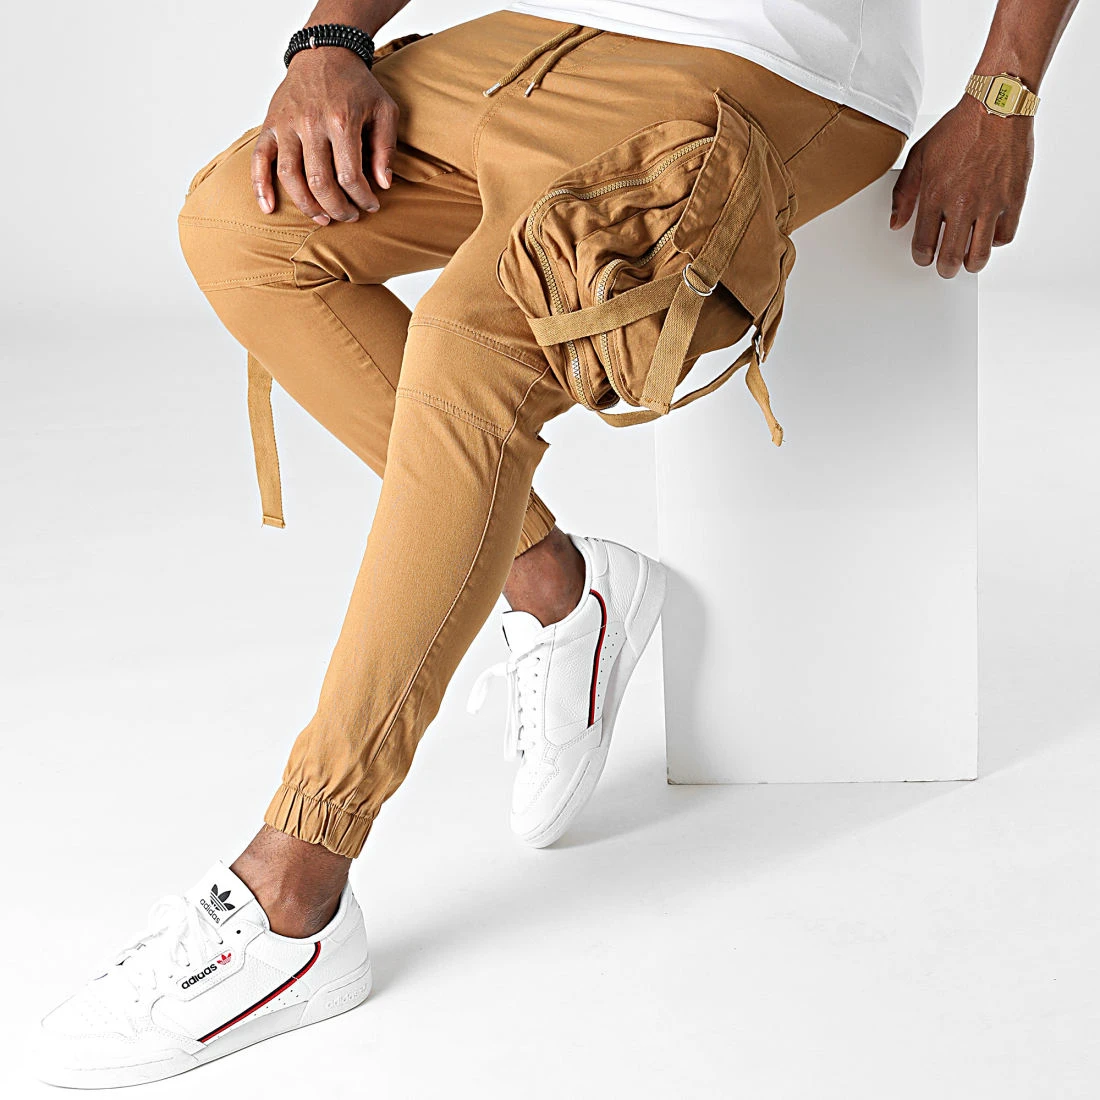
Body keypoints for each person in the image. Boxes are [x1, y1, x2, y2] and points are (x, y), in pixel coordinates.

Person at [36, 0, 1077, 1087]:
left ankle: (295, 887)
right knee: (239, 225)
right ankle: (554, 585)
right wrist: (329, 39)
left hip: (774, 67)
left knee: (472, 345)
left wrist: (1002, 92)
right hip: (557, 32)